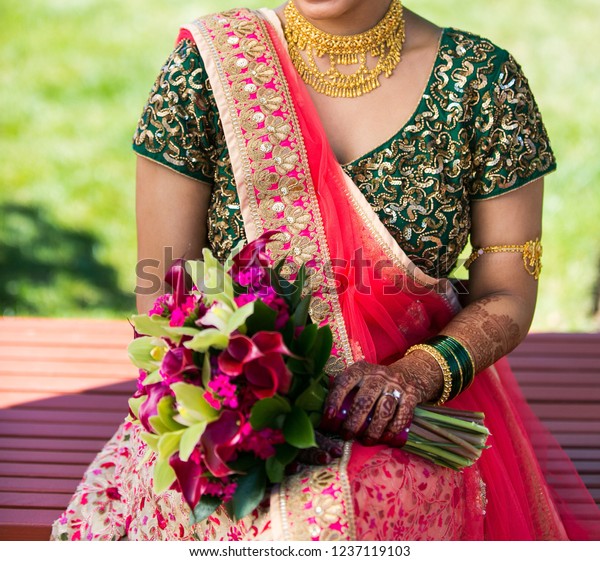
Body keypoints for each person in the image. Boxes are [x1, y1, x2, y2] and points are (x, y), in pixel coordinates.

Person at [51, 0, 599, 540]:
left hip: (408, 415)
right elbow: (165, 297)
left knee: (344, 515)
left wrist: (411, 379)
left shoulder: (482, 84)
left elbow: (507, 293)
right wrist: (238, 400)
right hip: (237, 408)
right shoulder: (211, 67)